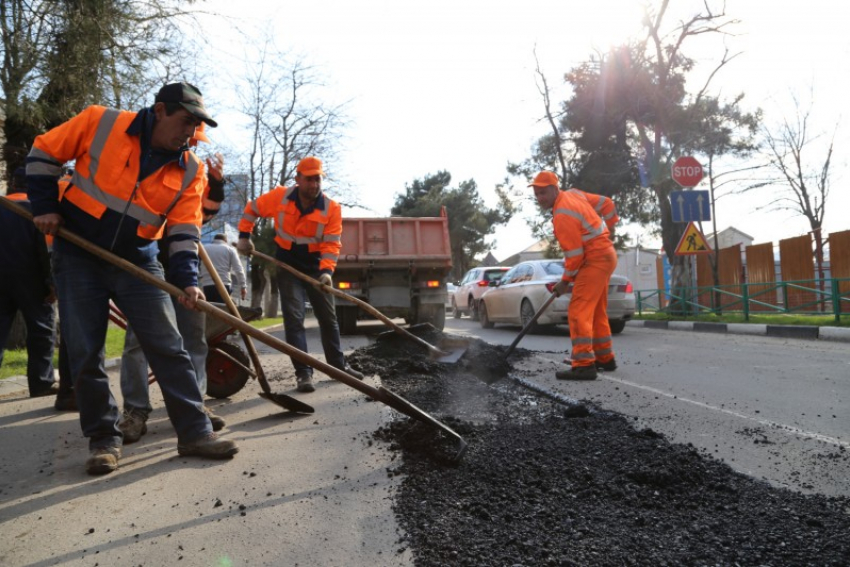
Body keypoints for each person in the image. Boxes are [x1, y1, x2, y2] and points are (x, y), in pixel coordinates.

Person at [26, 81, 238, 475]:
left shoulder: (190, 169)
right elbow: (43, 152)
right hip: (78, 254)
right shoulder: (99, 123)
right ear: (159, 111)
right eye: (186, 120)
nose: (191, 132)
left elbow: (183, 232)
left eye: (197, 125)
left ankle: (195, 431)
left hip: (138, 261)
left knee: (168, 346)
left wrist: (187, 280)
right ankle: (104, 439)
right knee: (86, 352)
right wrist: (45, 206)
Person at [117, 127, 227, 443]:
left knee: (194, 339)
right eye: (191, 137)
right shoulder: (145, 164)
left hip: (184, 269)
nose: (191, 143)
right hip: (146, 268)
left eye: (195, 140)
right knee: (138, 343)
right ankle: (135, 412)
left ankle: (197, 405)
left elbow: (205, 214)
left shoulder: (195, 171)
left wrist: (217, 183)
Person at [237, 156, 364, 392]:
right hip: (287, 265)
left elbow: (332, 244)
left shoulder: (331, 208)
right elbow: (252, 208)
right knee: (294, 319)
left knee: (328, 318)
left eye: (317, 179)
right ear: (298, 179)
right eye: (309, 179)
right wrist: (244, 236)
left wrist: (326, 272)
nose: (314, 184)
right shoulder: (280, 197)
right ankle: (303, 373)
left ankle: (338, 367)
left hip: (317, 267)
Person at [529, 171, 619, 380]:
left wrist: (564, 281)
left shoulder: (562, 215)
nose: (540, 198)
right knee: (595, 311)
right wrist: (609, 231)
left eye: (543, 192)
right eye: (537, 194)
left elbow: (575, 256)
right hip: (604, 256)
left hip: (595, 259)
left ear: (554, 188)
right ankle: (605, 358)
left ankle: (584, 365)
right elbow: (608, 204)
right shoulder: (575, 194)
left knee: (578, 310)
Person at [0, 168, 58, 398]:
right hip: (31, 280)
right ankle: (41, 383)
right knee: (41, 332)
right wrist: (52, 283)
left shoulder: (4, 206)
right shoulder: (37, 211)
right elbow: (45, 250)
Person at [200, 234, 247, 303]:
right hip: (224, 284)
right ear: (225, 241)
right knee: (222, 310)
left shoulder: (204, 248)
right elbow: (238, 270)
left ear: (214, 240)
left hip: (207, 285)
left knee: (210, 311)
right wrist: (243, 286)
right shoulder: (230, 250)